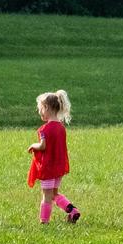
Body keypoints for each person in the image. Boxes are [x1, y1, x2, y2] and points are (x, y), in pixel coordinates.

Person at [28, 89, 82, 224]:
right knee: (54, 194)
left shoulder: (44, 129)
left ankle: (44, 221)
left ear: (46, 108)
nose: (39, 112)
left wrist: (33, 145)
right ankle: (73, 211)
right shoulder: (61, 127)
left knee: (46, 195)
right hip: (59, 167)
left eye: (40, 109)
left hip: (48, 168)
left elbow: (43, 146)